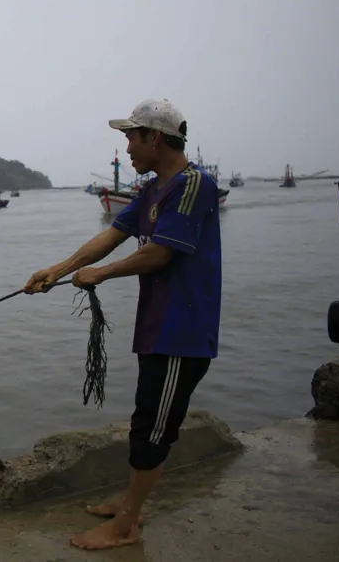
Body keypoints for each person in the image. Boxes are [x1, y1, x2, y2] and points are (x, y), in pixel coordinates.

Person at [24, 99, 221, 551]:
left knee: (154, 428)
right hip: (157, 324)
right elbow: (111, 237)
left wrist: (102, 274)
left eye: (132, 136)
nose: (128, 146)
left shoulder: (194, 185)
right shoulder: (152, 190)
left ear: (156, 137)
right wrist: (57, 269)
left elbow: (160, 253)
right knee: (144, 418)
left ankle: (127, 524)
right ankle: (130, 500)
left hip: (183, 331)